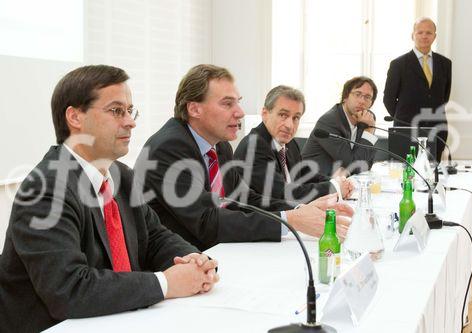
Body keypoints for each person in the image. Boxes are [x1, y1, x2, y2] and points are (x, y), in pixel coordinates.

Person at [0, 65, 219, 333]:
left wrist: (193, 260)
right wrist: (166, 283)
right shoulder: (45, 189)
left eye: (130, 110)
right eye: (116, 111)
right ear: (75, 117)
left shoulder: (121, 176)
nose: (130, 121)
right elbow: (69, 290)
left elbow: (156, 238)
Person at [135, 64, 353, 251]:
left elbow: (245, 199)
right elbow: (206, 221)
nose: (239, 112)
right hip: (179, 259)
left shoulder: (220, 146)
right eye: (227, 104)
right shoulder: (170, 147)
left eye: (237, 102)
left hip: (218, 250)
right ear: (194, 109)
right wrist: (289, 221)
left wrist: (299, 211)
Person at [234, 85, 354, 203]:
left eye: (296, 118)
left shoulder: (289, 144)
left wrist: (337, 182)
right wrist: (334, 187)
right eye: (283, 115)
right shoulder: (254, 146)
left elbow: (305, 174)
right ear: (265, 114)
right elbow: (283, 193)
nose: (289, 125)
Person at [383, 17, 452, 161]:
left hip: (437, 129)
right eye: (420, 32)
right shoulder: (398, 64)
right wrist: (403, 119)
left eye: (428, 32)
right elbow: (388, 98)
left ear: (434, 36)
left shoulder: (445, 63)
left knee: (432, 175)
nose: (424, 36)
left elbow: (444, 96)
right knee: (406, 173)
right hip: (406, 129)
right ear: (412, 35)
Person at [301, 76, 379, 176]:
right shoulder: (330, 121)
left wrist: (369, 128)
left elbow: (366, 164)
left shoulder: (367, 119)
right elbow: (356, 166)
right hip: (313, 183)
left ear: (371, 103)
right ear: (345, 96)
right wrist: (369, 131)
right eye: (357, 94)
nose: (362, 101)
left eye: (367, 97)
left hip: (341, 181)